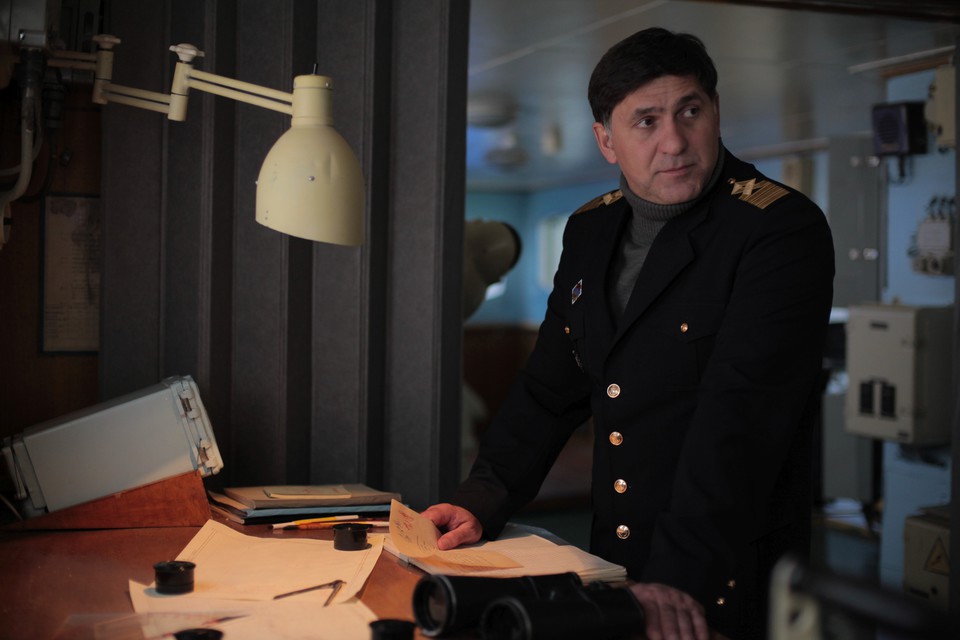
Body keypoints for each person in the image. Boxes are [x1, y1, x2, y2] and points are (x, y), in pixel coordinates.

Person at [424, 27, 834, 640]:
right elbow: (548, 389)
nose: (675, 141)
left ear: (715, 111)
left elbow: (741, 421)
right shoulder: (591, 230)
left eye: (690, 111)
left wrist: (676, 575)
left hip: (717, 573)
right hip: (613, 560)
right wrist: (481, 498)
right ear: (606, 140)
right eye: (646, 121)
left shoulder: (777, 229)